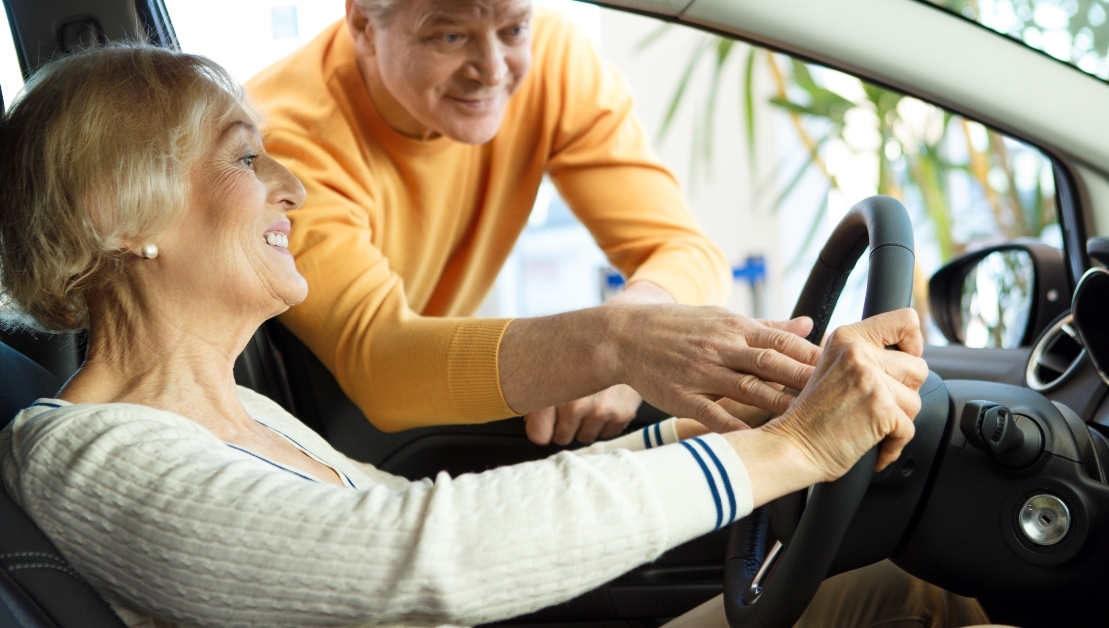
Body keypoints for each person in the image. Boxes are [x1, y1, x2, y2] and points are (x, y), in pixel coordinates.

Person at [0, 46, 992, 626]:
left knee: (910, 582)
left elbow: (439, 506)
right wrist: (789, 449)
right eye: (244, 160)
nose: (292, 187)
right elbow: (430, 555)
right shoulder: (93, 456)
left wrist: (712, 426)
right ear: (117, 213)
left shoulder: (235, 411)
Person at [245, 0, 739, 446]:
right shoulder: (285, 142)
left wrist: (640, 322)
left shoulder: (555, 59)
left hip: (440, 413)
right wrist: (607, 345)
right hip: (331, 438)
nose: (493, 70)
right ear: (362, 24)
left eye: (514, 29)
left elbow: (685, 249)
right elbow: (381, 362)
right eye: (450, 36)